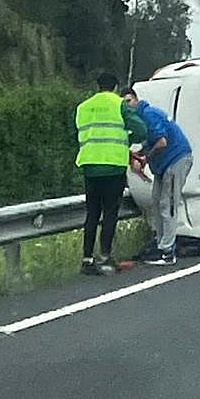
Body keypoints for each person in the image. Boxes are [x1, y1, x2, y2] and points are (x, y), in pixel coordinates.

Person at [74, 73, 147, 275]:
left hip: (90, 165)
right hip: (113, 166)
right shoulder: (119, 104)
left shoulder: (83, 107)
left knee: (92, 213)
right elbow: (141, 130)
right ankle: (105, 257)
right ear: (115, 87)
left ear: (97, 86)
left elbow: (76, 134)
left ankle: (87, 260)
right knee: (110, 213)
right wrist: (127, 138)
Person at [122, 88, 193, 265]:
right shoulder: (139, 118)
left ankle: (168, 252)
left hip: (176, 159)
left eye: (129, 100)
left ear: (136, 99)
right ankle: (161, 244)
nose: (127, 105)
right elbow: (151, 141)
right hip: (163, 164)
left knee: (167, 204)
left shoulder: (148, 114)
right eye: (124, 103)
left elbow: (162, 142)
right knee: (156, 201)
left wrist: (146, 157)